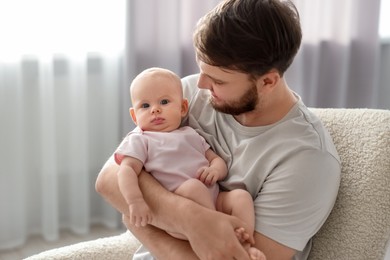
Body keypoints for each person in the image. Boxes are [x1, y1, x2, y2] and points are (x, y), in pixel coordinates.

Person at [96, 0, 341, 259]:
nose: (201, 83)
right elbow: (109, 181)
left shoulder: (308, 160)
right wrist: (190, 218)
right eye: (202, 70)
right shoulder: (190, 95)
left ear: (268, 80)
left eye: (218, 80)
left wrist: (144, 229)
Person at [114, 67, 265, 259]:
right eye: (145, 106)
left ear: (183, 108)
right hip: (181, 213)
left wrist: (215, 171)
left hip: (214, 198)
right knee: (194, 187)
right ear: (135, 116)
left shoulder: (190, 133)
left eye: (164, 102)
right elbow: (126, 170)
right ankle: (217, 232)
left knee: (241, 197)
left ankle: (245, 244)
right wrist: (135, 201)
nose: (155, 109)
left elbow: (216, 160)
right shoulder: (141, 140)